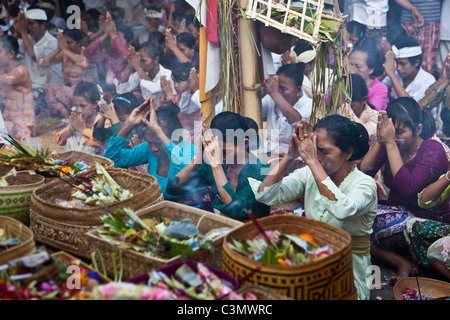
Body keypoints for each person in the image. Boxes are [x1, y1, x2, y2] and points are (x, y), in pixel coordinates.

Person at [249, 115, 377, 300]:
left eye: (325, 152)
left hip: (347, 273)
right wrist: (290, 156)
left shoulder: (365, 185)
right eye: (314, 150)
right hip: (311, 262)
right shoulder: (309, 173)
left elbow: (342, 209)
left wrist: (313, 162)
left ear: (347, 153)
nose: (317, 157)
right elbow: (265, 195)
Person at [358, 97, 449, 282]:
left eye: (400, 132)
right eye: (393, 132)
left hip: (427, 223)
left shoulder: (433, 150)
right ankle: (403, 260)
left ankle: (407, 259)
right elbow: (363, 172)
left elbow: (409, 188)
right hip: (397, 212)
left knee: (363, 227)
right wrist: (381, 141)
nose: (396, 137)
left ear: (418, 130)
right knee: (353, 216)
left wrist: (390, 143)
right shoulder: (392, 145)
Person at [166, 111, 271, 220]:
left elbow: (238, 213)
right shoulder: (216, 164)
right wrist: (197, 160)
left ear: (245, 144)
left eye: (225, 152)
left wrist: (216, 167)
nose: (221, 157)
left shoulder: (261, 171)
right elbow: (173, 188)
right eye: (217, 151)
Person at [104, 96, 195, 197]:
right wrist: (127, 125)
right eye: (150, 142)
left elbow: (183, 171)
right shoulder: (148, 149)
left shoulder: (191, 152)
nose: (153, 148)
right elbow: (112, 161)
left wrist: (158, 130)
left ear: (176, 138)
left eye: (158, 143)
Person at [14, 6, 63, 113]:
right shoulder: (29, 39)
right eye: (27, 24)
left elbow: (34, 56)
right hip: (31, 87)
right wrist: (19, 27)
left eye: (32, 24)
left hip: (47, 88)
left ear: (43, 24)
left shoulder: (52, 42)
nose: (29, 27)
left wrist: (22, 31)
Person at [40, 28, 95, 118]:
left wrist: (64, 49)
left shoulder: (85, 52)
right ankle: (67, 117)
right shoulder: (65, 54)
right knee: (49, 87)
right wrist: (58, 49)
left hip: (87, 94)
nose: (67, 46)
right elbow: (42, 63)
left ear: (79, 42)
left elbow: (83, 64)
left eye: (70, 43)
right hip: (71, 92)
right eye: (65, 43)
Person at [262, 62, 313, 156]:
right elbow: (255, 112)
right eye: (277, 88)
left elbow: (298, 122)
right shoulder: (271, 98)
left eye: (283, 89)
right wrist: (265, 90)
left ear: (298, 90)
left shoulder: (308, 103)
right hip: (268, 154)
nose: (279, 92)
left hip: (294, 158)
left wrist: (275, 94)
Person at [83, 11, 132, 96]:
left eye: (119, 39)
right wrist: (106, 33)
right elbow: (87, 52)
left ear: (129, 42)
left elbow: (127, 57)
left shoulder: (135, 58)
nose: (114, 43)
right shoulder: (106, 57)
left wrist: (113, 33)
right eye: (112, 39)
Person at [55, 81, 105, 155]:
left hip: (97, 161)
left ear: (95, 104)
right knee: (72, 138)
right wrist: (71, 130)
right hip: (75, 161)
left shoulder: (102, 120)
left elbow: (101, 142)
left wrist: (81, 129)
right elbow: (59, 140)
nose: (78, 110)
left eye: (83, 106)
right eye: (76, 105)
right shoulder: (78, 119)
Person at [0, 35, 35, 141]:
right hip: (9, 122)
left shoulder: (21, 71)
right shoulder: (2, 72)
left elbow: (5, 80)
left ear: (11, 54)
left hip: (24, 127)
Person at [382, 35, 436, 102]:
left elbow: (410, 106)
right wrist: (385, 71)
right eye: (397, 63)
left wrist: (392, 75)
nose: (398, 68)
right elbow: (374, 87)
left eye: (402, 64)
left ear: (416, 63)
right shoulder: (396, 73)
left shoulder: (428, 81)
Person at [157, 62, 201, 142]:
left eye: (180, 81)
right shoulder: (176, 97)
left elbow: (175, 114)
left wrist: (169, 94)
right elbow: (160, 113)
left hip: (192, 139)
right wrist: (164, 94)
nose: (176, 85)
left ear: (190, 80)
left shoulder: (194, 98)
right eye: (174, 81)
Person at [350, 37, 388, 111]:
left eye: (358, 66)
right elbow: (328, 101)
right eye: (351, 65)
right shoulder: (343, 82)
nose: (352, 70)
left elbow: (371, 112)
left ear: (370, 69)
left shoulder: (379, 88)